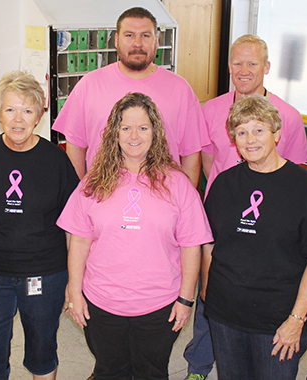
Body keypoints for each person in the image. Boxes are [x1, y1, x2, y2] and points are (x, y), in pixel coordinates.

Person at [57, 92, 212, 380]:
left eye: (143, 128)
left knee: (151, 373)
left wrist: (186, 299)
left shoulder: (177, 183)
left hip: (159, 306)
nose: (134, 136)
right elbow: (79, 240)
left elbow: (192, 244)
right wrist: (75, 292)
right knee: (109, 371)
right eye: (125, 128)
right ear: (114, 133)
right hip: (101, 304)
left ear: (155, 132)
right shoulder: (93, 183)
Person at [184, 33, 307, 380]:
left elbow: (296, 172)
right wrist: (232, 194)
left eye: (252, 63)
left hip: (269, 228)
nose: (244, 70)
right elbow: (208, 163)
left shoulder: (290, 116)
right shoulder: (211, 109)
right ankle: (197, 367)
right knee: (213, 296)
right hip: (225, 219)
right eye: (237, 62)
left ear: (266, 67)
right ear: (228, 67)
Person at [202, 96, 307, 380]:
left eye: (259, 130)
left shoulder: (304, 186)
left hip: (278, 320)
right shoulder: (224, 183)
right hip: (226, 315)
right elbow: (209, 244)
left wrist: (296, 319)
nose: (249, 139)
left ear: (276, 133)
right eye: (241, 132)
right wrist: (208, 293)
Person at [0, 71, 79, 380]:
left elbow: (74, 228)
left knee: (42, 349)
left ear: (39, 114)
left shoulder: (56, 161)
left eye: (27, 110)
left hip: (45, 275)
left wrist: (73, 282)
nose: (18, 118)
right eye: (10, 109)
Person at [52, 6, 208, 188]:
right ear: (116, 40)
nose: (137, 43)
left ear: (156, 41)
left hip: (163, 202)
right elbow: (75, 148)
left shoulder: (180, 89)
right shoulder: (89, 85)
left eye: (145, 35)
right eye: (129, 35)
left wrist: (186, 204)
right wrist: (78, 197)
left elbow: (191, 154)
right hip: (103, 199)